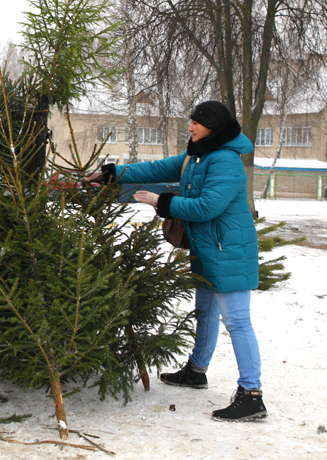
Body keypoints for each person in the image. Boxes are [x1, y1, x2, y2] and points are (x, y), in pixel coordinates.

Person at [86, 101, 267, 422]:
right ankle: (197, 370)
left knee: (237, 321)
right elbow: (156, 169)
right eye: (191, 121)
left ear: (214, 128)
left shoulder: (225, 160)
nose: (191, 127)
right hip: (209, 248)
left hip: (229, 250)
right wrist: (112, 173)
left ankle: (252, 395)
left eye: (197, 123)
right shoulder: (197, 156)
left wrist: (161, 201)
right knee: (205, 312)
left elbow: (208, 206)